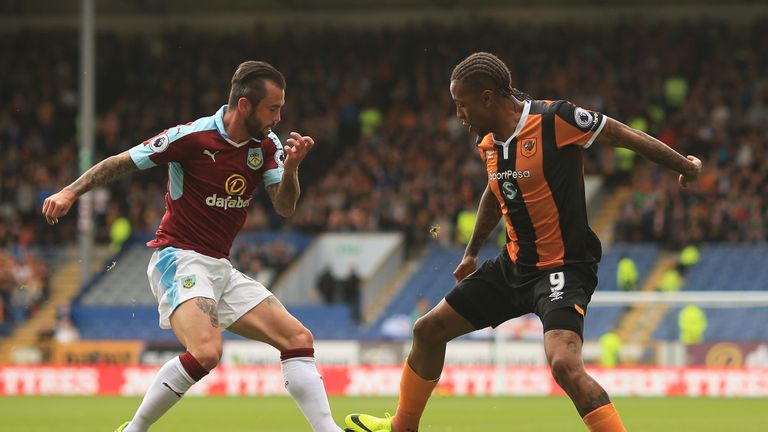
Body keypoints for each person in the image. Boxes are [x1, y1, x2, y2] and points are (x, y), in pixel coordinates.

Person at [345, 52, 701, 432]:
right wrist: (471, 253)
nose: (458, 114)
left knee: (564, 365)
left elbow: (620, 134)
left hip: (563, 268)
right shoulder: (490, 144)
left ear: (486, 98)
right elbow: (495, 192)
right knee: (427, 330)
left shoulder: (554, 120)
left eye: (461, 104)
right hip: (513, 266)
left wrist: (684, 166)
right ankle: (402, 427)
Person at [42, 61, 342, 432]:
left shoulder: (266, 145)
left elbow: (284, 206)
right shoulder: (191, 137)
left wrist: (293, 167)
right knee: (206, 352)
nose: (279, 117)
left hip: (220, 267)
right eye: (273, 108)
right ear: (245, 106)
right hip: (179, 258)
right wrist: (70, 191)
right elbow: (123, 162)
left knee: (298, 339)